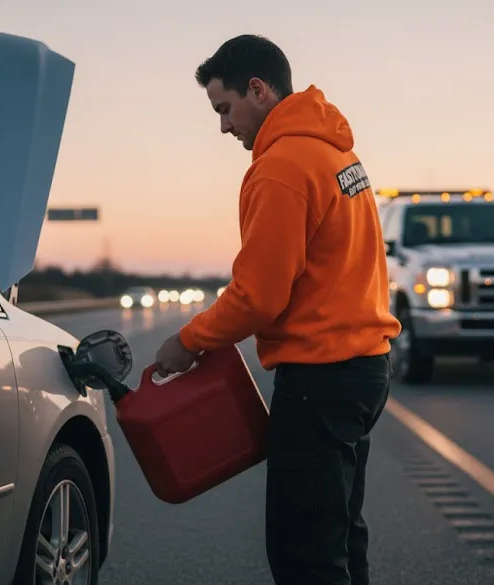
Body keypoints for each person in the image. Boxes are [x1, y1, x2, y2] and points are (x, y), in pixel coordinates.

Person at [153, 34, 401, 585]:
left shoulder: (282, 167)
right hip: (365, 367)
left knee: (304, 554)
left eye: (225, 108)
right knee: (338, 536)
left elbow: (259, 296)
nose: (223, 126)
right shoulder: (337, 152)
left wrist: (189, 341)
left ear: (258, 90)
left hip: (321, 378)